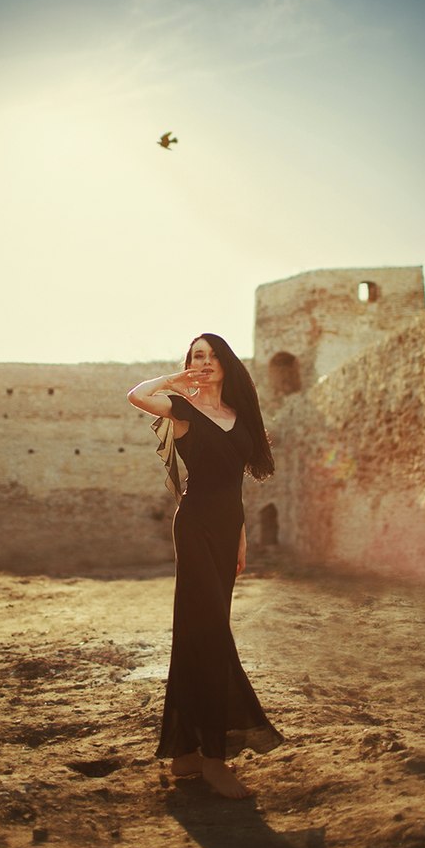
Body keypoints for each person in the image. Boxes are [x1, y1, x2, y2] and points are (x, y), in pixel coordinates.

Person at [127, 333, 284, 799]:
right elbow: (136, 396)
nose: (206, 362)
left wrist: (241, 534)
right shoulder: (182, 410)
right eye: (198, 355)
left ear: (228, 363)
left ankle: (185, 753)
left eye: (213, 355)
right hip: (194, 527)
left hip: (226, 528)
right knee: (212, 633)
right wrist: (176, 380)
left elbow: (234, 485)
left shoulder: (240, 418)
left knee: (197, 635)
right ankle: (215, 758)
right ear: (189, 363)